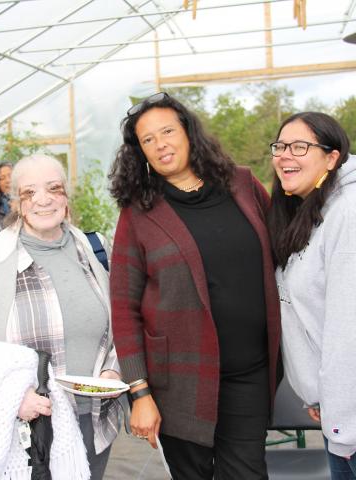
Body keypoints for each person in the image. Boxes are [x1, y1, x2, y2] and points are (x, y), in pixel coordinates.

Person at [108, 92, 281, 480]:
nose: (160, 144)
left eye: (167, 131)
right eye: (148, 139)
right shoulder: (138, 212)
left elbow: (284, 251)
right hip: (180, 382)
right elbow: (123, 307)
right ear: (140, 153)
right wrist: (139, 392)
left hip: (248, 372)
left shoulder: (242, 184)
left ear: (188, 133)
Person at [0, 154, 122, 480]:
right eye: (30, 193)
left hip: (94, 422)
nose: (43, 200)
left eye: (54, 188)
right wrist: (12, 398)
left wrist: (113, 371)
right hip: (28, 430)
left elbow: (122, 324)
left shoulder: (94, 249)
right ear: (15, 201)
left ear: (67, 197)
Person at [267, 112, 356, 480]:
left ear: (332, 157)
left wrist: (341, 415)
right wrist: (319, 395)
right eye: (280, 146)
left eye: (300, 146)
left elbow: (346, 328)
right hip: (339, 414)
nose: (286, 155)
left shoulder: (348, 212)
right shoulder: (313, 212)